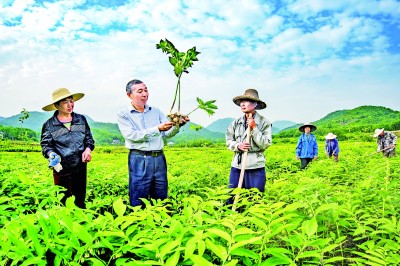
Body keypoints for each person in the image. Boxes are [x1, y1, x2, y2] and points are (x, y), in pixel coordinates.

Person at [117, 79, 188, 208]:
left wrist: (177, 125)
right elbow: (132, 136)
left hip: (159, 158)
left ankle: (160, 224)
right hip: (139, 158)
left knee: (161, 196)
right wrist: (158, 129)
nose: (145, 94)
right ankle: (139, 223)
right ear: (129, 95)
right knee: (139, 197)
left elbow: (166, 134)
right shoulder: (124, 115)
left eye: (146, 90)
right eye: (140, 91)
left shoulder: (156, 111)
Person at [41, 88, 95, 209]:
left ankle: (81, 224)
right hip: (61, 168)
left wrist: (87, 150)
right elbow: (46, 146)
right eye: (65, 102)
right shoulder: (49, 125)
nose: (70, 105)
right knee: (64, 202)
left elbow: (89, 140)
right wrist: (52, 155)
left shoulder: (81, 119)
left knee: (80, 200)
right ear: (56, 105)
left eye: (71, 101)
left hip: (80, 167)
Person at [226, 89, 272, 204]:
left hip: (255, 166)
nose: (242, 103)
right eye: (241, 101)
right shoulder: (236, 122)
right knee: (233, 196)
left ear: (255, 104)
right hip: (238, 165)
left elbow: (265, 143)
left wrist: (254, 128)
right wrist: (238, 145)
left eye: (246, 101)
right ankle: (233, 219)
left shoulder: (264, 122)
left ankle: (252, 222)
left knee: (255, 197)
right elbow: (228, 140)